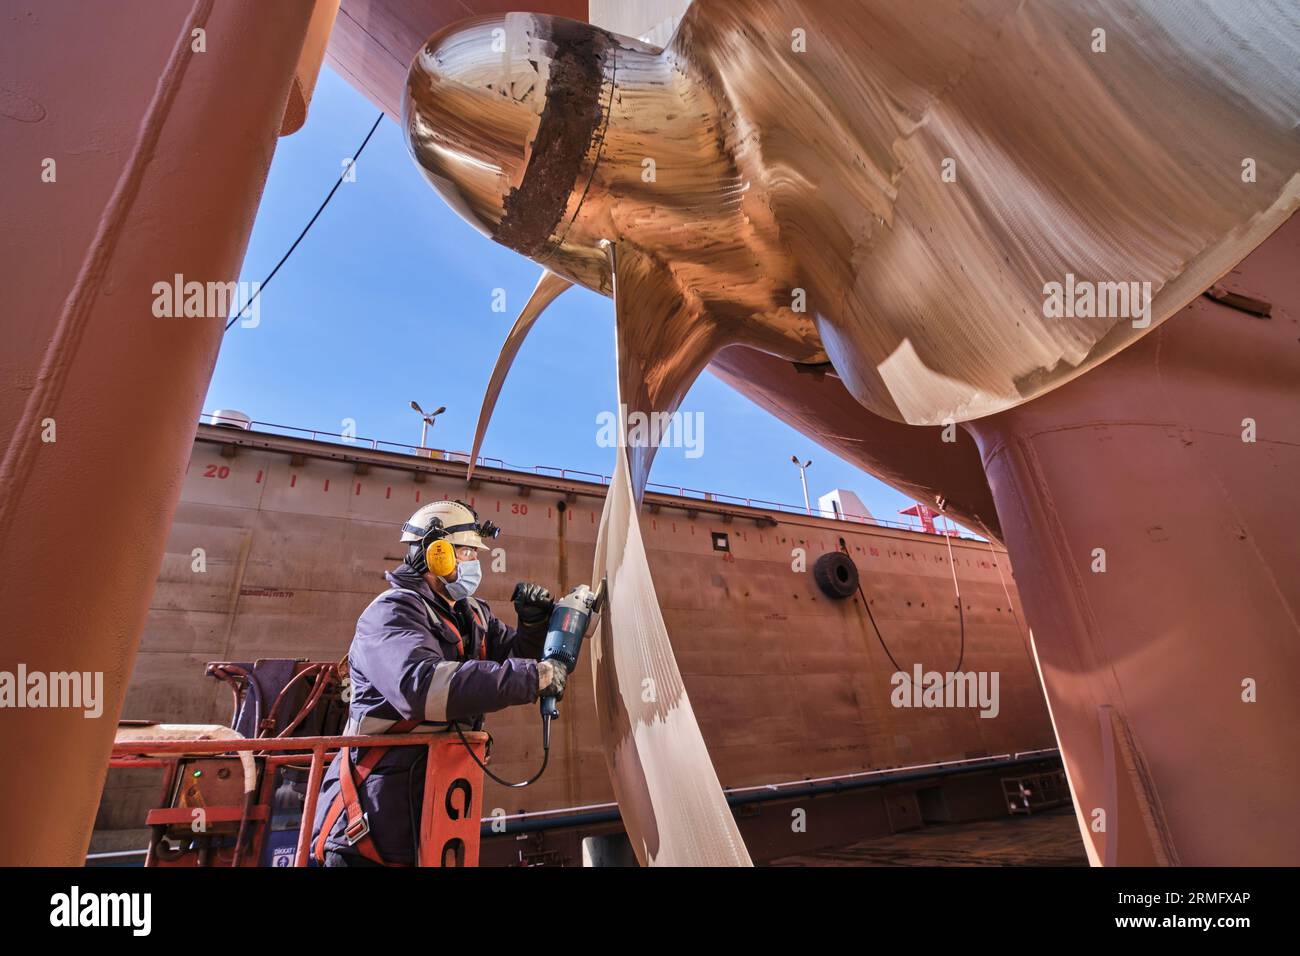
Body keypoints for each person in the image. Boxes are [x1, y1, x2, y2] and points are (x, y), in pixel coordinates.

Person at [311, 499, 567, 866]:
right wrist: (532, 676)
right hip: (372, 818)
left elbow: (509, 659)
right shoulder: (391, 613)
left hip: (434, 804)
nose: (475, 563)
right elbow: (423, 687)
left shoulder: (471, 614)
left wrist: (532, 626)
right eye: (467, 552)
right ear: (438, 555)